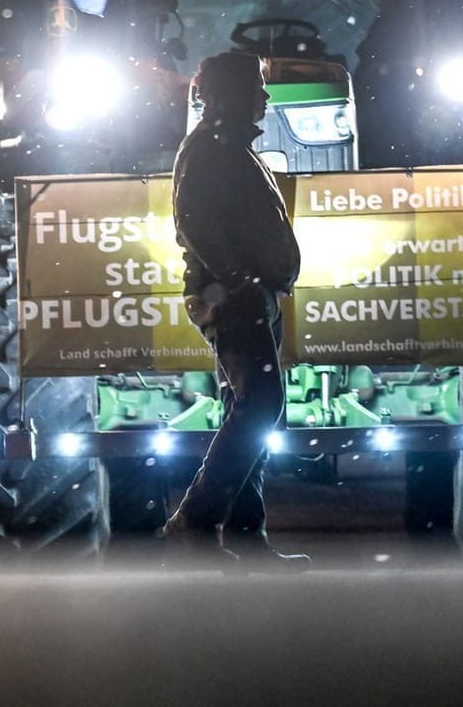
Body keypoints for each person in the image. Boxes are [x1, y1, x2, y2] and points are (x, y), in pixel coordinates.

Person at [162, 50, 309, 570]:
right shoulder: (210, 150)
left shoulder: (227, 149)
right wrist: (241, 281)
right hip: (234, 298)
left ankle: (247, 536)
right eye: (256, 87)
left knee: (249, 409)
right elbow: (193, 223)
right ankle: (197, 520)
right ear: (228, 94)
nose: (265, 97)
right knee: (260, 406)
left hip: (245, 295)